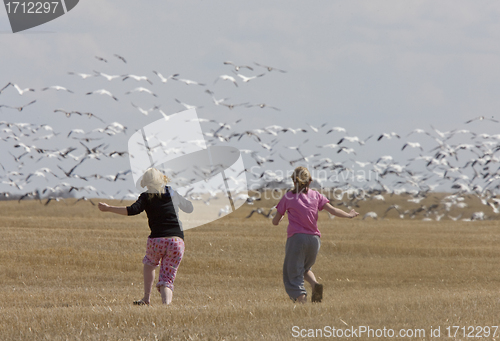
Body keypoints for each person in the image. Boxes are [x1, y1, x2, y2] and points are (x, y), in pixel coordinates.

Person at [98, 168, 193, 305]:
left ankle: (146, 299)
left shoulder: (146, 196)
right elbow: (189, 208)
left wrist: (108, 208)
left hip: (157, 240)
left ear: (146, 183)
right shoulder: (172, 192)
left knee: (149, 265)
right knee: (167, 278)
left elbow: (132, 210)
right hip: (176, 241)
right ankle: (166, 306)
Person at [272, 166, 359, 304]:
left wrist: (281, 216)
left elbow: (275, 222)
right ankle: (314, 284)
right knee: (305, 268)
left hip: (297, 239)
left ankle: (302, 304)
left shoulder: (288, 196)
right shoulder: (316, 195)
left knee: (293, 274)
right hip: (314, 240)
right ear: (310, 181)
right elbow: (333, 210)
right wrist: (349, 215)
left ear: (293, 181)